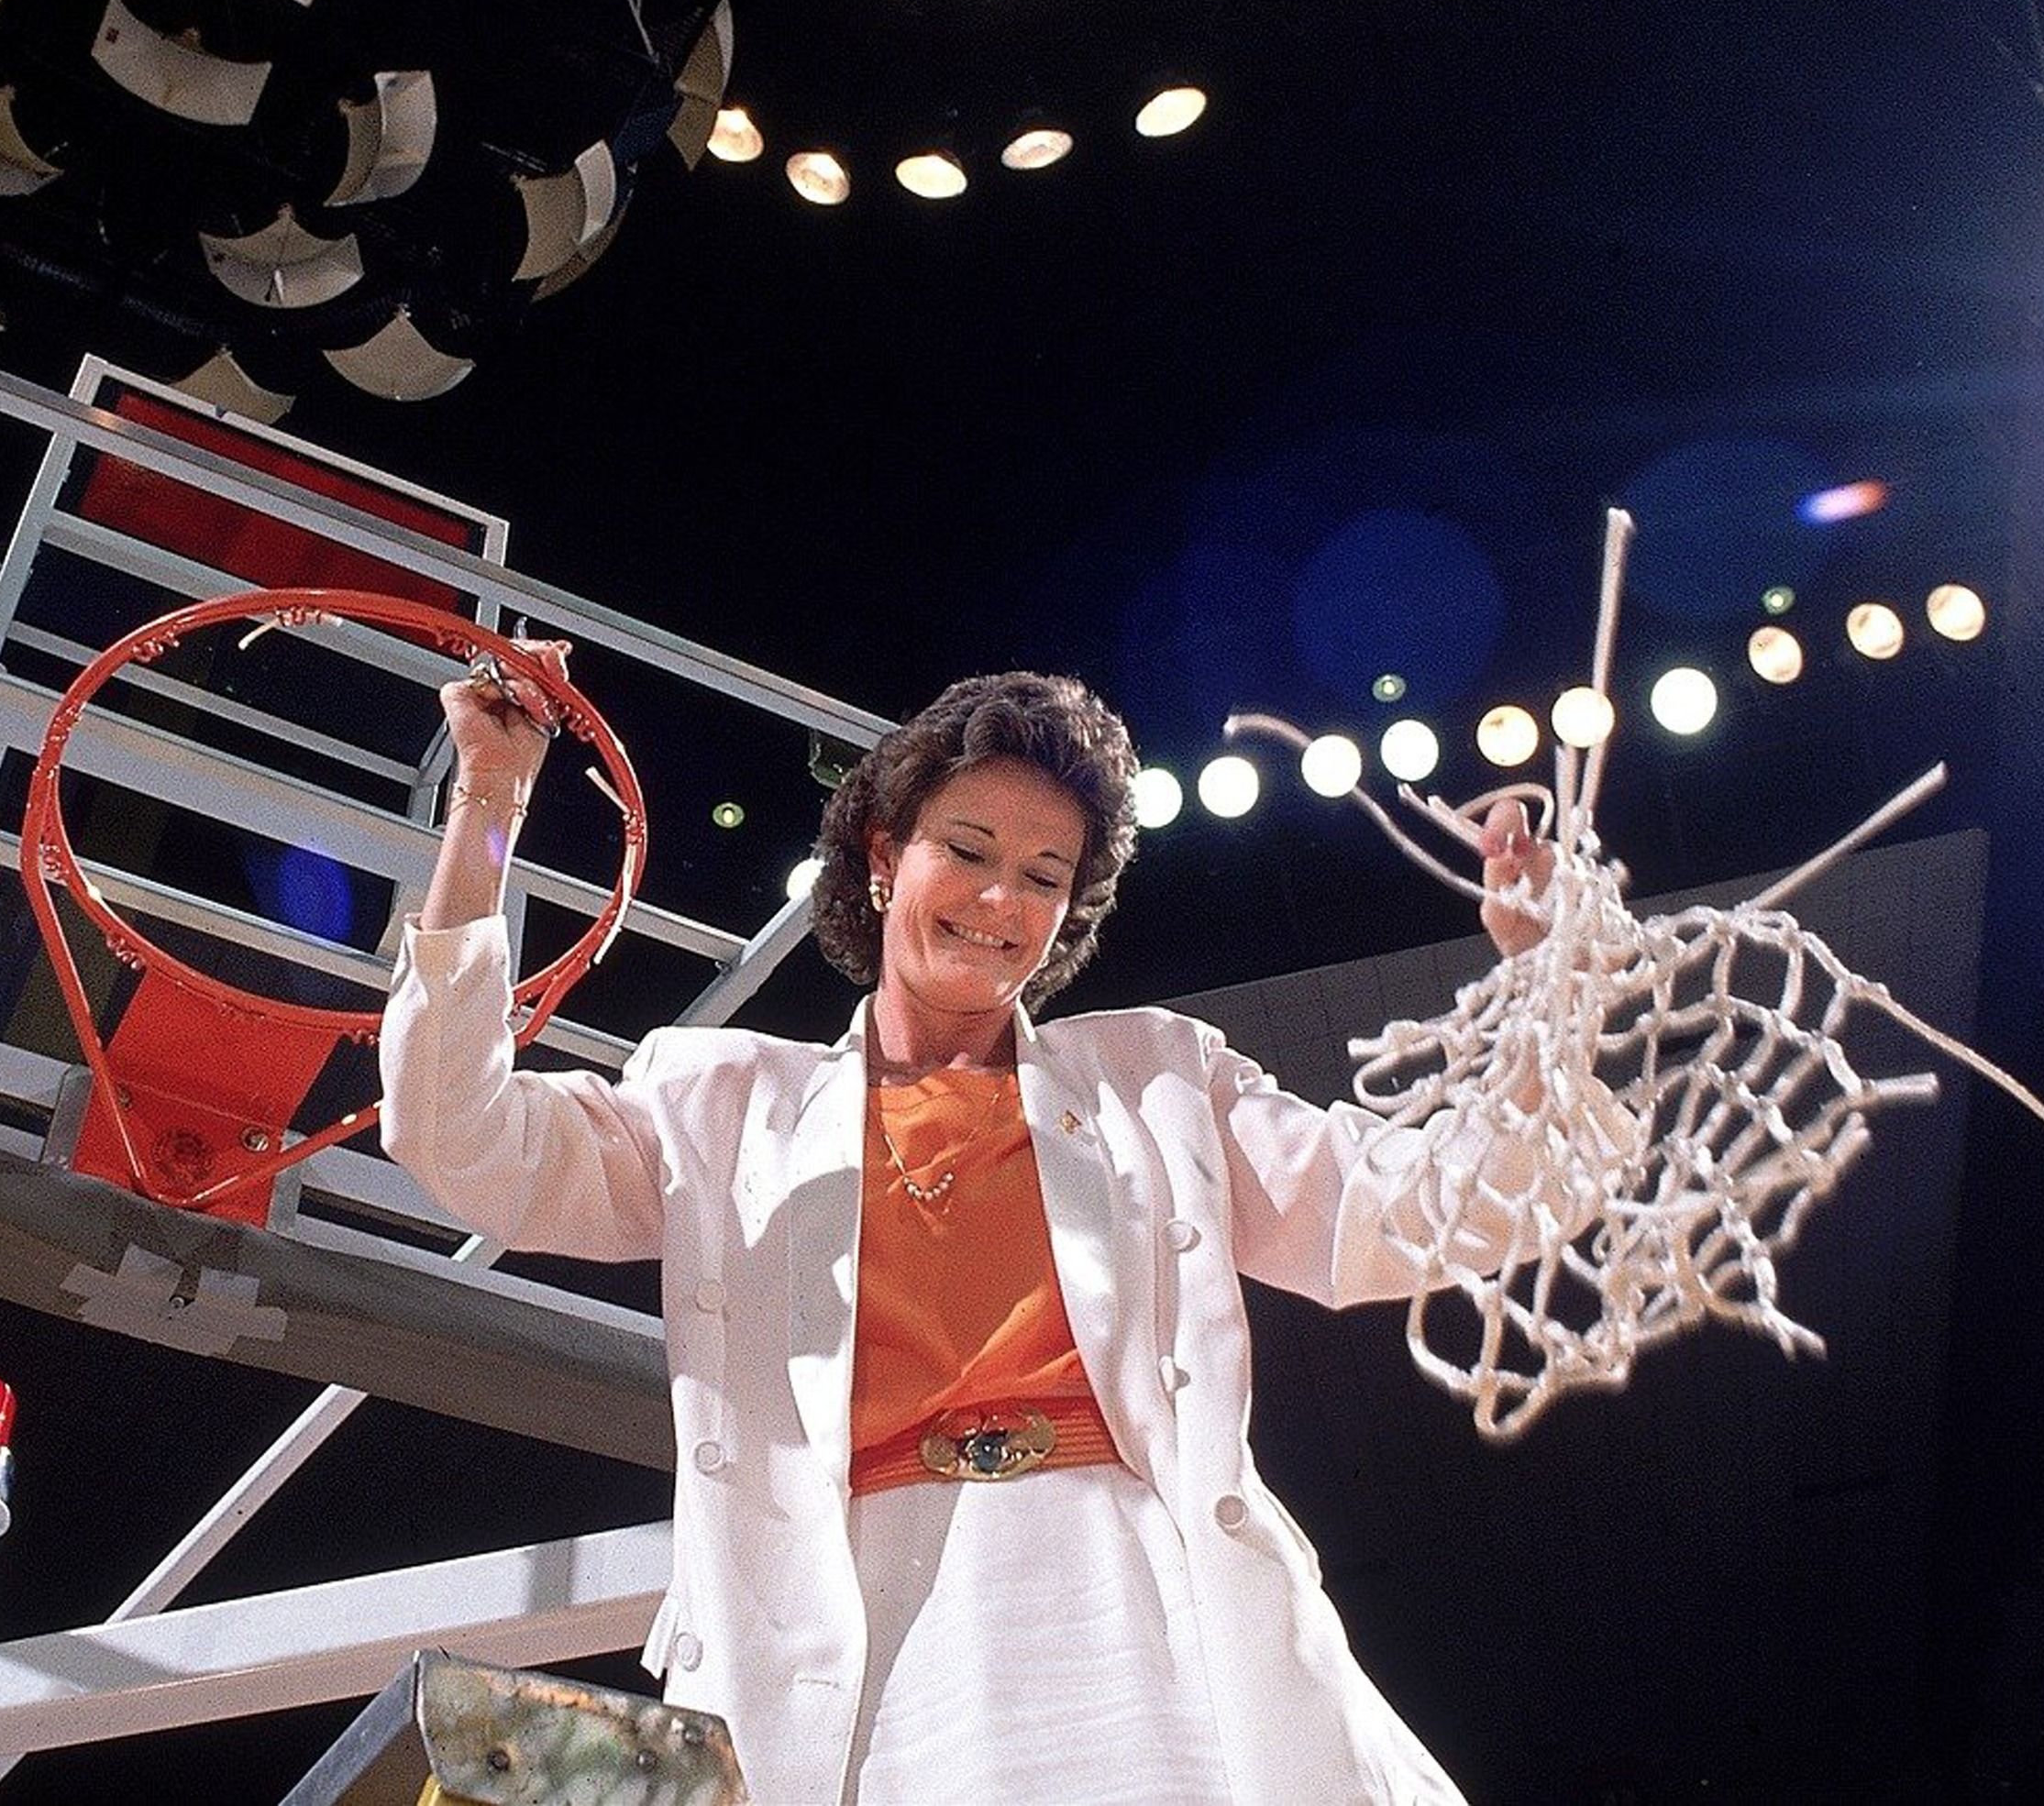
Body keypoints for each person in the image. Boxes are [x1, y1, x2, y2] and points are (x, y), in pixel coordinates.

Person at [381, 659, 1607, 1806]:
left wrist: (1549, 981)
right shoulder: (722, 1103)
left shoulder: (1157, 1080)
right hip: (853, 1650)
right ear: (881, 856)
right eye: (966, 850)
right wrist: (492, 802)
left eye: (1041, 874)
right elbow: (463, 1141)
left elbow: (1421, 1211)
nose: (996, 900)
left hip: (1132, 1617)